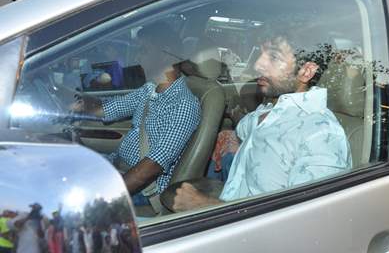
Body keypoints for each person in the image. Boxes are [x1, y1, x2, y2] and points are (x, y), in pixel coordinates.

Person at [172, 32, 352, 211]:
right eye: (260, 54)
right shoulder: (271, 108)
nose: (258, 65)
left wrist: (205, 205)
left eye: (274, 57)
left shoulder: (321, 134)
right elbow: (247, 128)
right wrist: (232, 137)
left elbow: (302, 221)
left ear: (306, 71)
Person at [73, 22, 201, 207]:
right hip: (118, 168)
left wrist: (106, 195)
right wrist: (74, 100)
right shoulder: (149, 89)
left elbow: (151, 167)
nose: (137, 56)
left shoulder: (183, 105)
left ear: (166, 55)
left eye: (144, 50)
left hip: (142, 191)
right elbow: (107, 110)